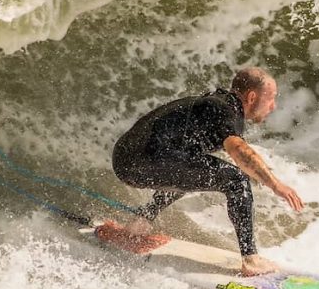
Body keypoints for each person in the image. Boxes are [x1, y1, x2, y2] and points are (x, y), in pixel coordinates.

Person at [111, 67, 304, 276]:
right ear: (251, 96)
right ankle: (251, 260)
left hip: (125, 158)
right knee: (236, 179)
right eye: (271, 99)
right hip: (142, 160)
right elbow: (238, 149)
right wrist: (276, 185)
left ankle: (139, 223)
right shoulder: (226, 111)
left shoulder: (216, 103)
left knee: (193, 167)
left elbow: (186, 167)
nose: (273, 106)